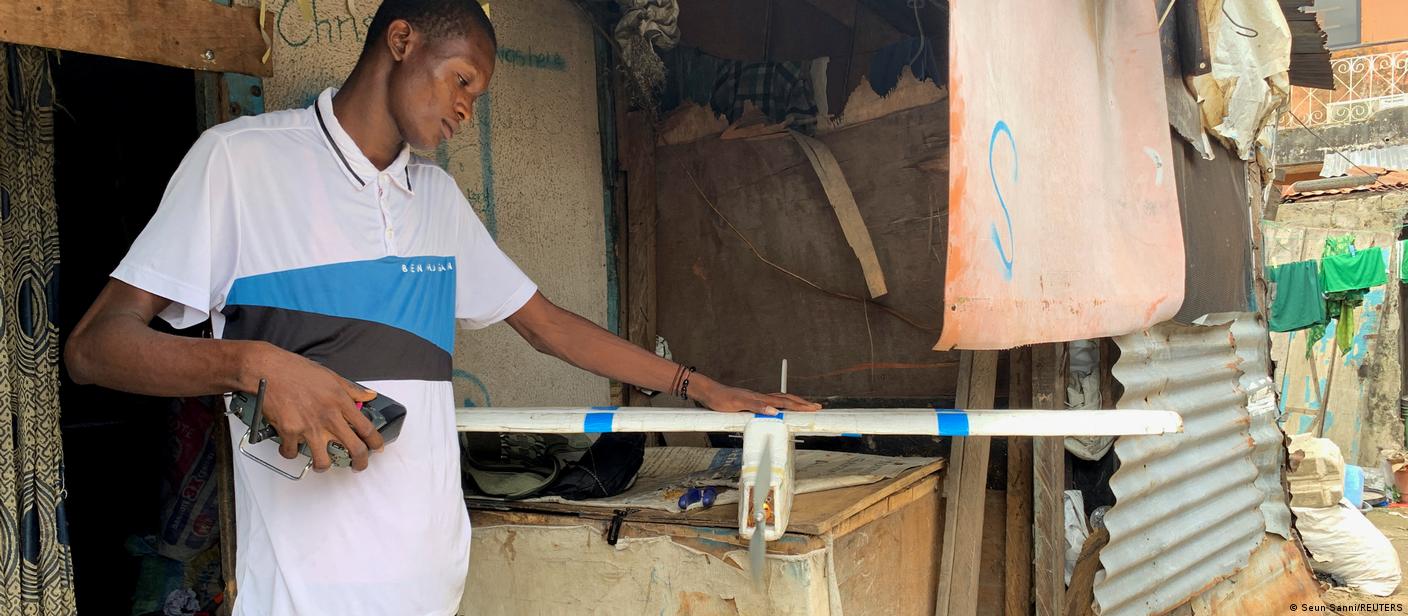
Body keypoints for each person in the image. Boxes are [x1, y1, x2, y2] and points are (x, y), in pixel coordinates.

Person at [62, 1, 819, 613]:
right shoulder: (241, 163)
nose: (464, 108)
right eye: (460, 80)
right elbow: (95, 348)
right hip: (307, 596)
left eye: (476, 96)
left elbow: (547, 325)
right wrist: (252, 365)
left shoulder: (437, 201)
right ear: (401, 39)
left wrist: (697, 387)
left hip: (432, 584)